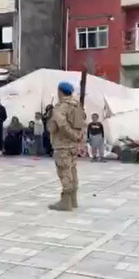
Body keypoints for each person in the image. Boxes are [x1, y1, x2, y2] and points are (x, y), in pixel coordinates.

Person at [47, 81, 86, 211]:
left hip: (62, 144)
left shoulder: (61, 107)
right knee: (72, 171)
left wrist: (73, 136)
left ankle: (66, 201)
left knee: (64, 171)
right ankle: (73, 199)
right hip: (73, 146)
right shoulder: (77, 106)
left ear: (60, 92)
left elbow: (61, 125)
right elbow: (82, 123)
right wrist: (78, 137)